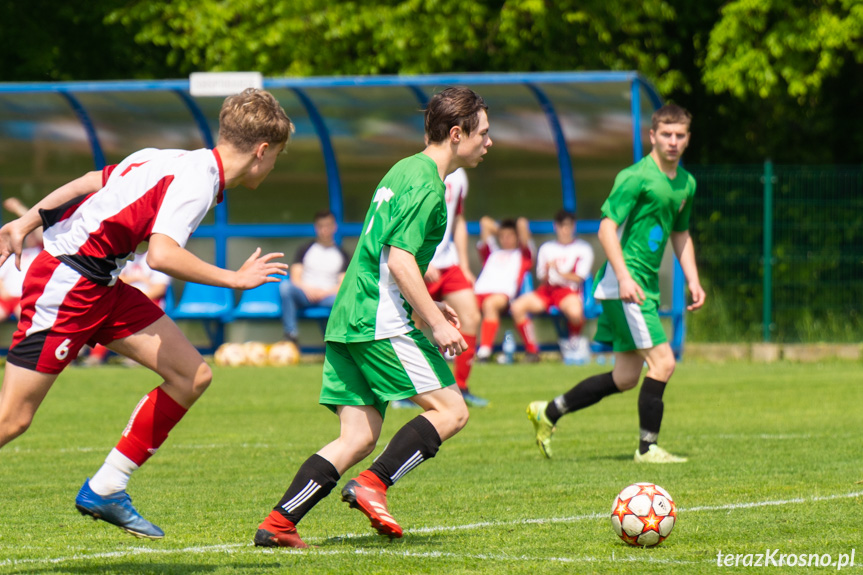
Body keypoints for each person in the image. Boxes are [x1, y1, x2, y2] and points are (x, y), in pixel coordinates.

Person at [0, 88, 293, 539]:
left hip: (102, 285)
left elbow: (91, 180)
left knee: (191, 375)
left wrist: (26, 221)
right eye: (278, 157)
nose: (275, 168)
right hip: (65, 283)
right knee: (12, 419)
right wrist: (235, 279)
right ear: (262, 150)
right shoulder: (196, 182)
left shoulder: (176, 157)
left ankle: (107, 487)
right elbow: (162, 256)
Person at [254, 86, 492, 548]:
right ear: (457, 134)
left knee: (358, 435)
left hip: (349, 315)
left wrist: (427, 305)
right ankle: (374, 484)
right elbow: (400, 262)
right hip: (377, 317)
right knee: (453, 409)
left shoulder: (405, 168)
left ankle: (279, 522)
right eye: (483, 133)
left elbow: (388, 257)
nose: (489, 142)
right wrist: (437, 323)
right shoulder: (428, 186)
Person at [526, 103, 705, 463]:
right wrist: (623, 276)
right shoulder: (635, 176)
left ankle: (549, 412)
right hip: (625, 285)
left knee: (624, 378)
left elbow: (681, 233)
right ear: (652, 136)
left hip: (644, 286)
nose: (673, 141)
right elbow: (607, 227)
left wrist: (694, 279)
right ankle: (647, 447)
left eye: (680, 135)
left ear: (687, 139)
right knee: (663, 362)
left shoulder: (686, 183)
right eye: (666, 134)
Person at [422, 167, 486, 407]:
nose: (486, 143)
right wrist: (420, 259)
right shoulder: (419, 171)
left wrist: (465, 265)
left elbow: (458, 220)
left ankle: (461, 387)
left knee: (470, 315)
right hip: (419, 264)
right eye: (482, 135)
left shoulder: (459, 177)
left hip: (448, 264)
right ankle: (407, 392)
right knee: (413, 326)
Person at [510, 209, 594, 364]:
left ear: (573, 227)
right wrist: (549, 271)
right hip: (547, 291)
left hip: (568, 291)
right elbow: (542, 278)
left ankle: (573, 345)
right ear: (556, 227)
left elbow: (579, 278)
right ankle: (532, 351)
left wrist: (559, 272)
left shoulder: (583, 248)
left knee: (576, 312)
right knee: (517, 307)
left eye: (568, 226)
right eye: (562, 226)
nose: (565, 230)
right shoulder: (547, 248)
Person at [84, 250, 172, 366]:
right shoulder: (126, 254)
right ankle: (95, 356)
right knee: (102, 312)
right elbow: (115, 281)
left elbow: (159, 289)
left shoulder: (158, 257)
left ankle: (137, 357)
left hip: (148, 302)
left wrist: (136, 297)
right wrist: (139, 279)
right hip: (121, 299)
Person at [280, 209, 349, 343]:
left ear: (334, 227)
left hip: (328, 296)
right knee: (285, 288)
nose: (324, 230)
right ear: (316, 228)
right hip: (305, 294)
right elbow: (295, 278)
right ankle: (291, 335)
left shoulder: (342, 254)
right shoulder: (304, 249)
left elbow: (343, 284)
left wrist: (324, 293)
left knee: (344, 300)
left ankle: (338, 341)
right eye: (321, 226)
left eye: (328, 226)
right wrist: (309, 290)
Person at [473, 216, 534, 361]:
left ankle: (485, 351)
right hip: (479, 292)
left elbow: (522, 223)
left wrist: (515, 233)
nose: (505, 239)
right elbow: (485, 222)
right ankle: (452, 351)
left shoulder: (523, 255)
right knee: (457, 304)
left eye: (510, 236)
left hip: (502, 296)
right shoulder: (492, 252)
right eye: (502, 236)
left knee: (490, 304)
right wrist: (501, 232)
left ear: (517, 236)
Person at [0, 198, 43, 322]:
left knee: (26, 318)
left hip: (25, 298)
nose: (31, 237)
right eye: (28, 235)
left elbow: (38, 226)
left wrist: (17, 207)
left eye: (32, 234)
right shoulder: (12, 255)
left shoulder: (40, 252)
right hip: (6, 299)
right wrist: (2, 291)